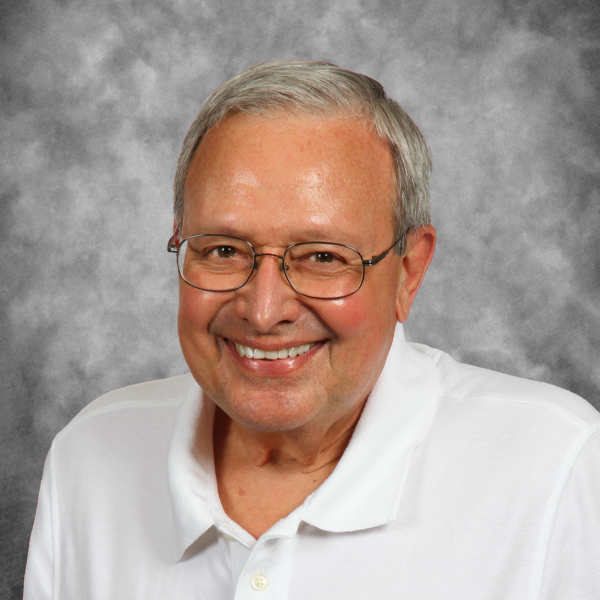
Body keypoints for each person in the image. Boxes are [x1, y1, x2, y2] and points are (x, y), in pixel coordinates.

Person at [24, 60, 600, 599]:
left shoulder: (557, 466)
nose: (264, 309)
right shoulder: (88, 456)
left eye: (323, 257)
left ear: (408, 271)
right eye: (223, 249)